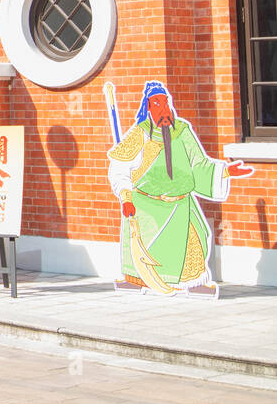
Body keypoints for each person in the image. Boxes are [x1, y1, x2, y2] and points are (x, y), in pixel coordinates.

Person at [107, 81, 253, 298]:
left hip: (181, 204)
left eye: (165, 102)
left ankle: (195, 284)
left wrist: (225, 171)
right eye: (157, 103)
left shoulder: (183, 131)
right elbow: (119, 169)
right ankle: (135, 279)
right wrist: (126, 196)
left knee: (197, 238)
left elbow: (199, 164)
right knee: (142, 249)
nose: (164, 108)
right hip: (147, 205)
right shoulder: (140, 134)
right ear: (148, 107)